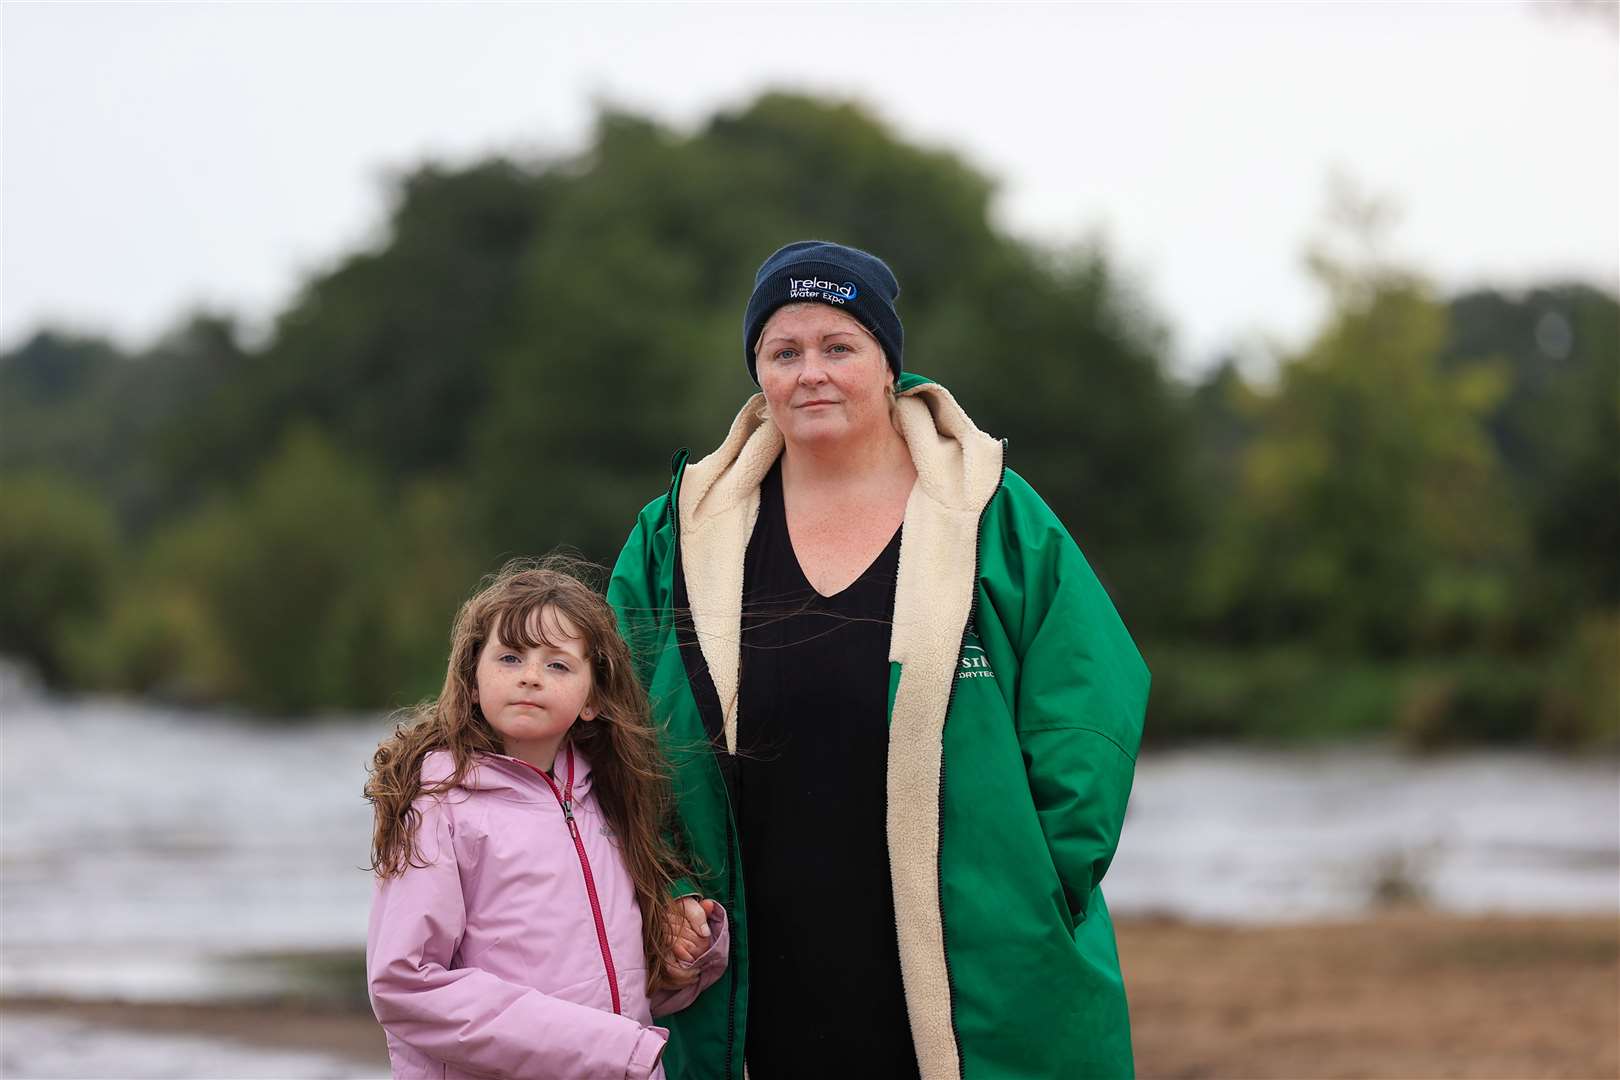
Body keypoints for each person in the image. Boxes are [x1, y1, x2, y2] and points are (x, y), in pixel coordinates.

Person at [609, 241, 1150, 1079]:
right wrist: (663, 888)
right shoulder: (675, 534)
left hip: (971, 942)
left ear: (888, 362)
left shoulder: (992, 513)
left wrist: (1043, 882)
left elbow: (1089, 702)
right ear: (759, 373)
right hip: (753, 952)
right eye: (784, 352)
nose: (810, 373)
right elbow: (613, 723)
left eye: (838, 347)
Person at [365, 558, 729, 1079]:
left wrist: (684, 956)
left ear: (592, 699)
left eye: (557, 665)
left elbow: (605, 980)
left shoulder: (607, 799)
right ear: (471, 679)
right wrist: (609, 1050)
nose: (531, 677)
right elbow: (404, 985)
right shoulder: (437, 803)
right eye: (510, 658)